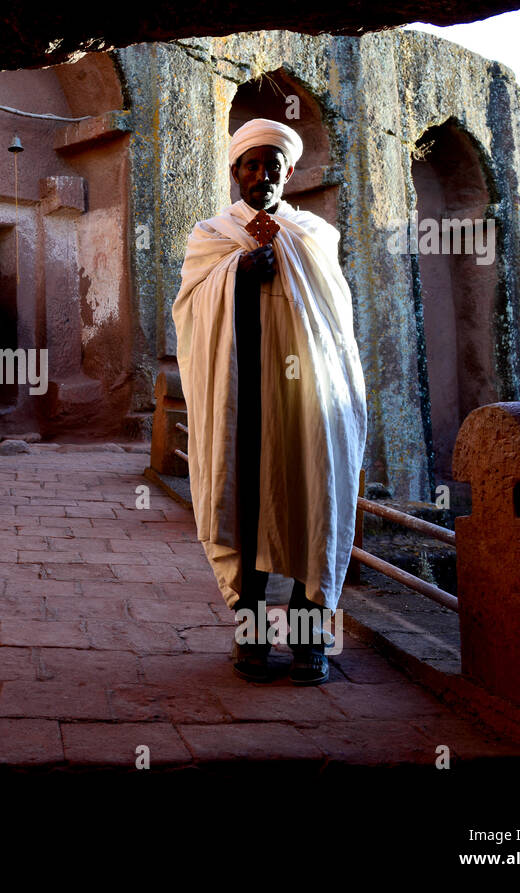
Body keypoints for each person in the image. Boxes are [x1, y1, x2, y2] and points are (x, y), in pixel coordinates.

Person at [170, 118, 366, 685]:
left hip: (306, 403)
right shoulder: (211, 236)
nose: (262, 176)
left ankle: (309, 645)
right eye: (251, 166)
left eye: (272, 166)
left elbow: (335, 323)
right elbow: (188, 310)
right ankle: (252, 639)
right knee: (247, 512)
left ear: (288, 173)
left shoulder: (313, 235)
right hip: (244, 403)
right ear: (235, 173)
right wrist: (236, 273)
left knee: (312, 508)